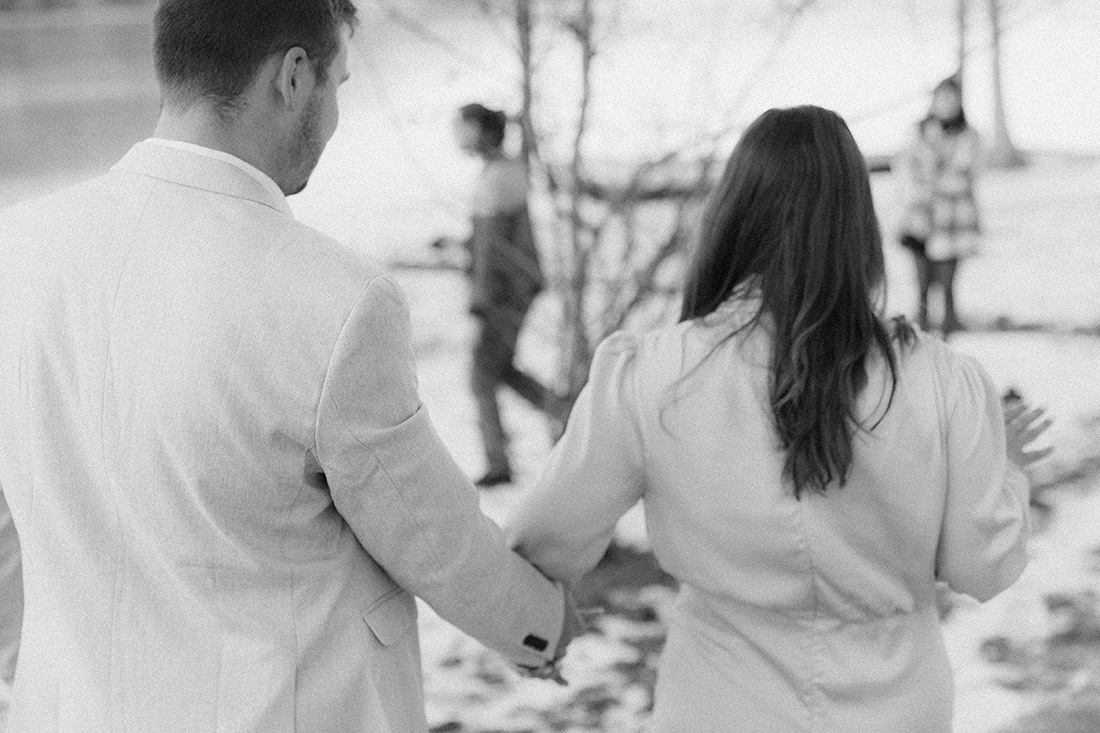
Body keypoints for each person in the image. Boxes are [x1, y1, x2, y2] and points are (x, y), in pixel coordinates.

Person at [0, 2, 581, 731]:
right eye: (339, 83)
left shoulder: (17, 250)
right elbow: (428, 533)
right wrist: (542, 624)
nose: (334, 116)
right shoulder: (337, 298)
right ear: (295, 76)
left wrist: (41, 659)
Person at [505, 106, 1051, 732]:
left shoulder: (655, 374)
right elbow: (982, 566)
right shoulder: (940, 381)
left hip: (719, 702)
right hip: (894, 706)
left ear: (733, 214)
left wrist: (532, 630)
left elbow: (544, 535)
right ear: (858, 222)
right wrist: (1005, 469)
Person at [453, 103, 553, 488]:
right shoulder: (500, 172)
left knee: (482, 376)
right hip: (510, 290)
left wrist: (482, 297)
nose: (456, 135)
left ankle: (499, 464)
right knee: (501, 370)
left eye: (462, 127)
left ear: (480, 130)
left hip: (505, 294)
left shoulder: (498, 177)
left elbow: (494, 249)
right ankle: (567, 411)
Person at [895, 73, 983, 336]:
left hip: (952, 218)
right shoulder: (917, 132)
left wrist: (935, 179)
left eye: (952, 99)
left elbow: (965, 173)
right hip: (920, 215)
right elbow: (905, 167)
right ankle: (920, 325)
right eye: (942, 98)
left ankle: (948, 324)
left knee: (947, 278)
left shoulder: (968, 136)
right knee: (921, 277)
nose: (947, 104)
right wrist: (920, 186)